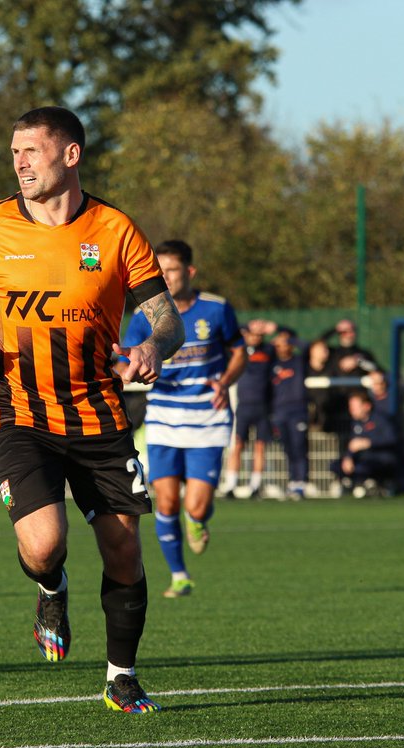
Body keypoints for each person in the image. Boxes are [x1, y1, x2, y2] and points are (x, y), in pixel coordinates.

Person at [0, 106, 183, 714]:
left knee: (123, 548)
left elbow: (167, 319)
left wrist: (151, 346)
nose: (18, 163)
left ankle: (121, 676)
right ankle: (51, 588)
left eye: (31, 151)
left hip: (98, 412)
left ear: (70, 156)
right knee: (44, 545)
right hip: (19, 409)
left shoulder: (115, 230)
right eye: (13, 152)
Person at [120, 240, 244, 599]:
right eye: (160, 271)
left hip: (208, 418)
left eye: (171, 270)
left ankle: (199, 519)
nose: (165, 278)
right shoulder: (145, 317)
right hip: (164, 417)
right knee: (167, 502)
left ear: (189, 272)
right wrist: (126, 367)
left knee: (195, 506)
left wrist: (224, 381)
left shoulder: (216, 310)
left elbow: (240, 353)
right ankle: (179, 576)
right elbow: (126, 358)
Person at [219, 319, 276, 499]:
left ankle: (255, 485)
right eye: (253, 333)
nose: (256, 337)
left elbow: (292, 339)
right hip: (243, 407)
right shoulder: (238, 352)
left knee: (260, 447)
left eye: (260, 335)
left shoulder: (268, 351)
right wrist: (248, 327)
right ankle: (231, 484)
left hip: (263, 407)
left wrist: (272, 329)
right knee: (237, 445)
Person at [269, 327, 311, 499]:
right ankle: (292, 482)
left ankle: (300, 482)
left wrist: (290, 339)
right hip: (279, 412)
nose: (283, 345)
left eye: (285, 342)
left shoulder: (298, 361)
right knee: (287, 448)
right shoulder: (272, 364)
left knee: (299, 446)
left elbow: (308, 346)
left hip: (298, 411)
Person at [332, 388, 399, 496]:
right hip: (363, 458)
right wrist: (348, 457)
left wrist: (369, 442)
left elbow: (392, 439)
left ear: (367, 406)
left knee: (365, 466)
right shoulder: (356, 423)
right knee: (335, 465)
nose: (351, 410)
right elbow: (353, 444)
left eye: (355, 407)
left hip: (380, 459)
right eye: (350, 407)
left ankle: (371, 484)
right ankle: (353, 484)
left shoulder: (381, 419)